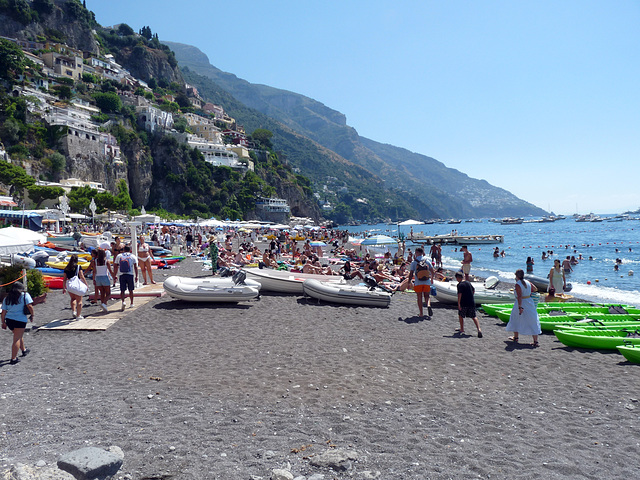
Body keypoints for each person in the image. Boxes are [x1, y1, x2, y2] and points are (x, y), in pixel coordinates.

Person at [505, 269, 541, 347]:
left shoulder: (518, 284)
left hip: (522, 302)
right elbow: (535, 288)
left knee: (515, 318)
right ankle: (535, 341)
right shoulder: (527, 282)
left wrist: (520, 307)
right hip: (529, 301)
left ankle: (516, 337)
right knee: (532, 319)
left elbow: (520, 296)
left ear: (516, 276)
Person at [1, 281, 34, 365]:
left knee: (18, 335)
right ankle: (13, 358)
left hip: (9, 320)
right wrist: (32, 315)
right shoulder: (25, 296)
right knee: (17, 338)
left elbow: (4, 311)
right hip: (20, 320)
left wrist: (3, 322)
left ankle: (24, 350)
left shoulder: (7, 298)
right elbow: (30, 306)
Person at [407, 247, 435, 318]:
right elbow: (432, 271)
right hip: (427, 281)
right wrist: (431, 279)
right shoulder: (427, 261)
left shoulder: (414, 262)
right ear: (422, 253)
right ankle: (428, 305)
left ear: (417, 253)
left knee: (419, 297)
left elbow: (411, 274)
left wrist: (409, 282)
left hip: (418, 282)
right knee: (427, 296)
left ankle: (421, 313)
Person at [455, 272, 482, 337]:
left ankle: (462, 329)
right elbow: (473, 290)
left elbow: (459, 294)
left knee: (461, 315)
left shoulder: (460, 285)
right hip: (471, 302)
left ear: (458, 278)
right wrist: (471, 296)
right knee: (474, 316)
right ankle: (479, 329)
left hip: (464, 303)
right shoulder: (468, 283)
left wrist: (458, 303)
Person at [113, 245, 139, 311]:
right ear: (130, 250)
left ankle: (123, 302)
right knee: (131, 290)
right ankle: (131, 303)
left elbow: (115, 266)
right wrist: (136, 276)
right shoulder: (132, 256)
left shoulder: (119, 256)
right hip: (130, 274)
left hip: (121, 274)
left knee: (122, 290)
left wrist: (115, 275)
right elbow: (136, 267)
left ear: (123, 250)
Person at [63, 254, 87, 320]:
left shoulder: (67, 268)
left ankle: (74, 311)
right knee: (79, 300)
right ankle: (78, 316)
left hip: (70, 285)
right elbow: (82, 276)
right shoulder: (78, 267)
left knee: (73, 298)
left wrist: (64, 288)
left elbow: (64, 279)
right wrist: (86, 284)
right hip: (77, 285)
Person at [93, 248, 113, 312]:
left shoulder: (95, 261)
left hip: (98, 278)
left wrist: (94, 279)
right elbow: (110, 270)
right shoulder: (106, 261)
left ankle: (103, 306)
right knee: (108, 293)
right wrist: (114, 276)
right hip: (104, 277)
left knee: (102, 293)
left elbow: (94, 271)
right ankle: (104, 303)